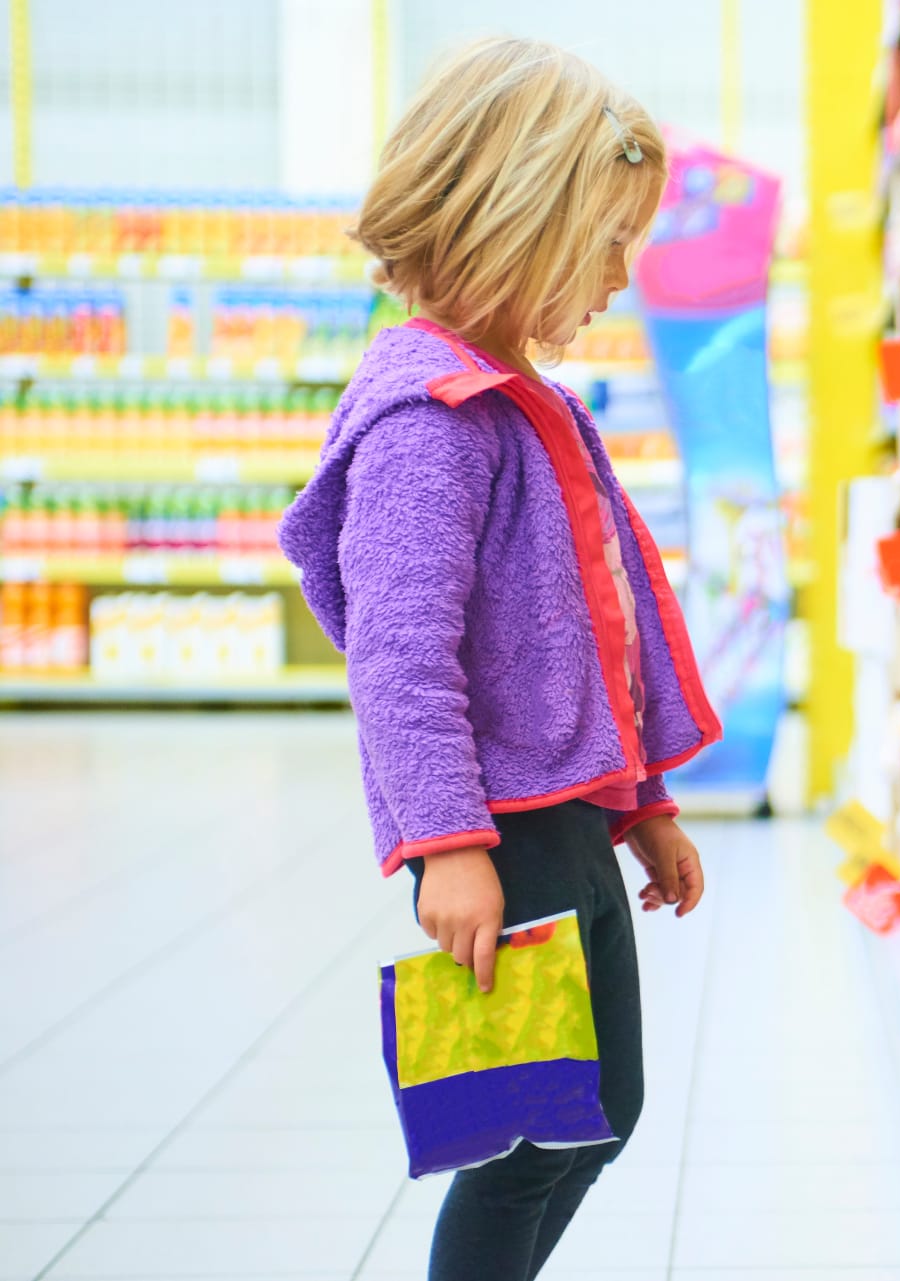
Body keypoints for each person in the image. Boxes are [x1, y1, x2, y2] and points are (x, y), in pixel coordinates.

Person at [279, 36, 721, 1281]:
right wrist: (448, 844)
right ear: (515, 218)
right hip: (500, 829)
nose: (621, 278)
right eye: (607, 242)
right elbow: (400, 656)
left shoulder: (515, 395)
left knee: (602, 1113)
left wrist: (642, 806)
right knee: (528, 1129)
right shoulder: (432, 419)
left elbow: (585, 630)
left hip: (567, 817)